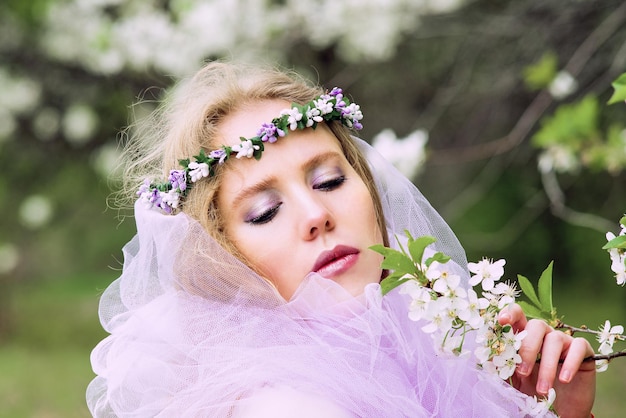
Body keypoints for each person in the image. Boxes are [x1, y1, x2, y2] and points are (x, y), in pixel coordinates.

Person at [87, 61, 596, 417]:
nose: (316, 214)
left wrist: (561, 414)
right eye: (264, 212)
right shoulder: (289, 407)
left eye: (329, 180)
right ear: (220, 256)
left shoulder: (437, 351)